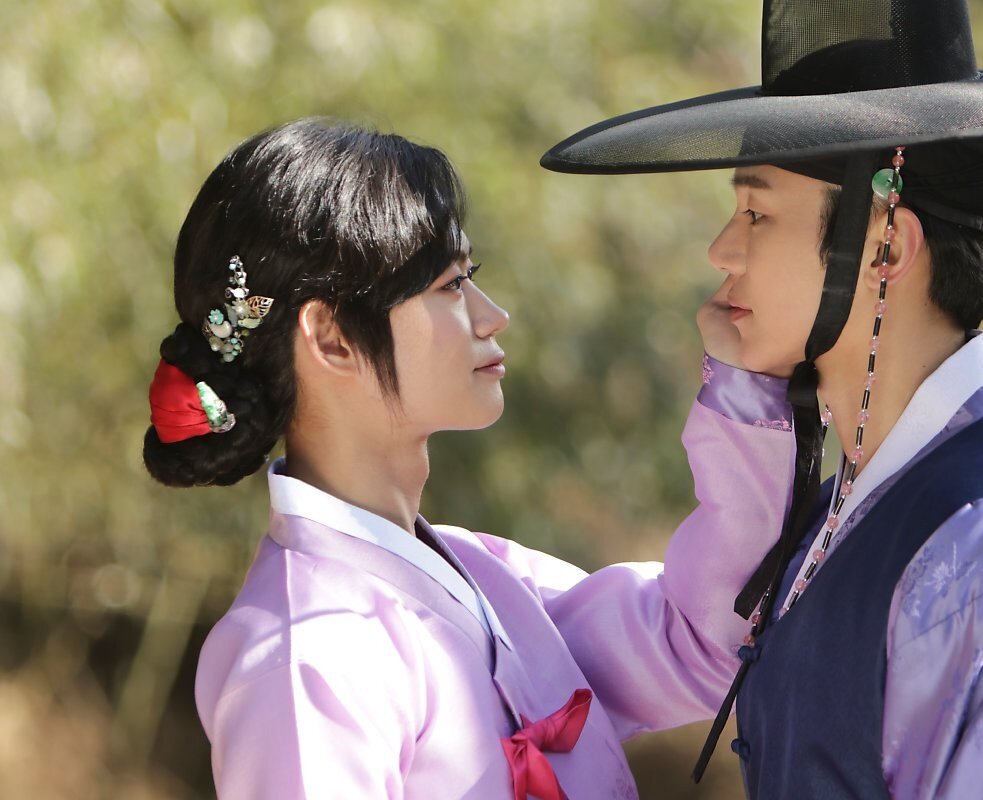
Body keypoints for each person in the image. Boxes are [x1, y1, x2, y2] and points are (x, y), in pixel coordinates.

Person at [541, 0, 983, 797]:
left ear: (886, 245)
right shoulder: (843, 512)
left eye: (756, 212)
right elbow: (682, 634)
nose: (721, 249)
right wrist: (747, 395)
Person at [142, 118, 799, 798]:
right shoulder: (307, 655)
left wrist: (748, 383)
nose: (493, 315)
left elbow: (707, 641)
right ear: (332, 338)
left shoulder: (487, 578)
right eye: (451, 285)